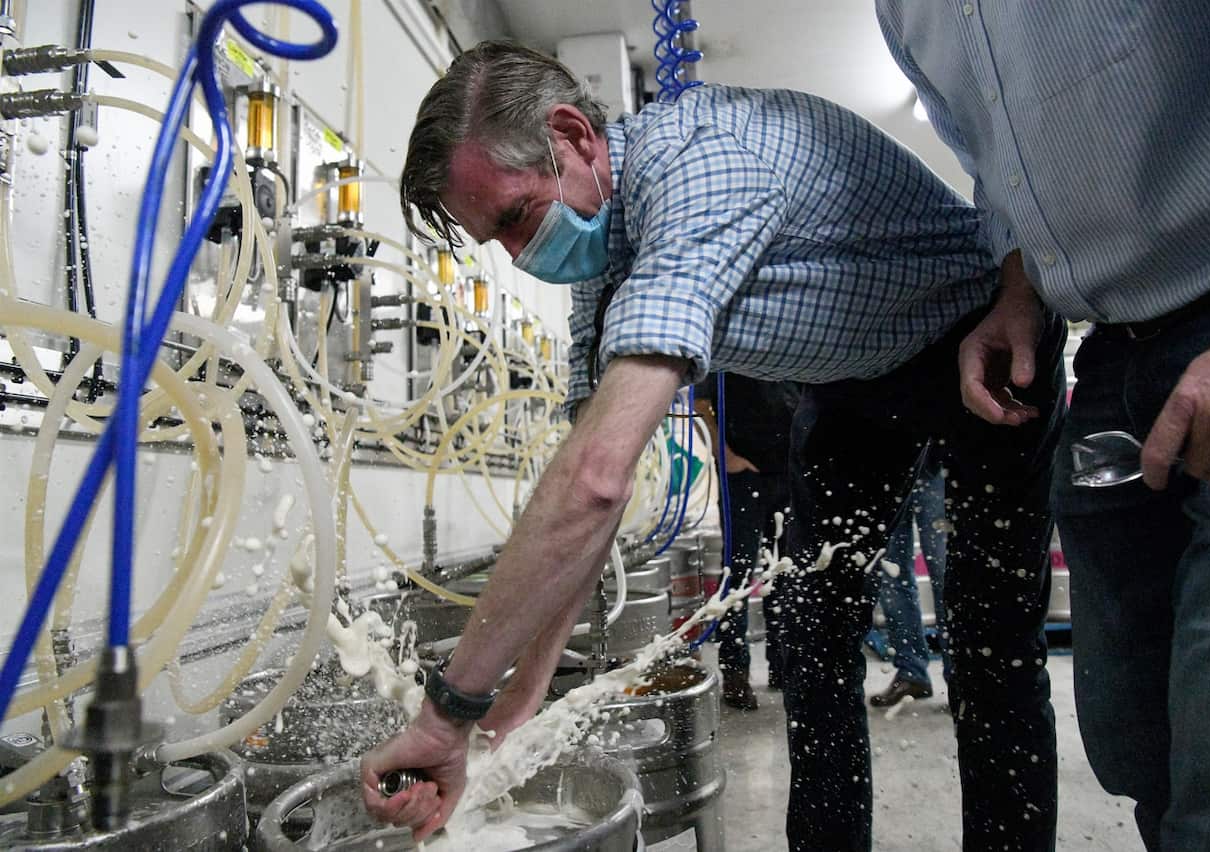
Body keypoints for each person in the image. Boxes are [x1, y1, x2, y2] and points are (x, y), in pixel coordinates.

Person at [363, 41, 1066, 851]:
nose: (523, 256)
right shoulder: (603, 256)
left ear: (573, 136)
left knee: (989, 647)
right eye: (497, 240)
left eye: (517, 217)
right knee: (810, 636)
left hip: (978, 334)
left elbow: (591, 480)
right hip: (852, 378)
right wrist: (520, 698)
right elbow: (596, 496)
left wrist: (448, 712)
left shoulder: (703, 166)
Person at [875, 4, 1210, 850]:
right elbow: (1002, 174)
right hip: (1111, 355)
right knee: (1140, 752)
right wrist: (1017, 293)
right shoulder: (903, 11)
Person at [693, 373, 798, 710]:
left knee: (784, 572)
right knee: (737, 571)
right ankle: (735, 672)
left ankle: (783, 665)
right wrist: (725, 456)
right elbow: (698, 403)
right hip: (743, 475)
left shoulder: (795, 344)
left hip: (788, 472)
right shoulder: (731, 346)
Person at [866, 446, 949, 708]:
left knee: (946, 576)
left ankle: (962, 679)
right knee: (892, 579)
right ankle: (911, 672)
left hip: (937, 462)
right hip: (886, 466)